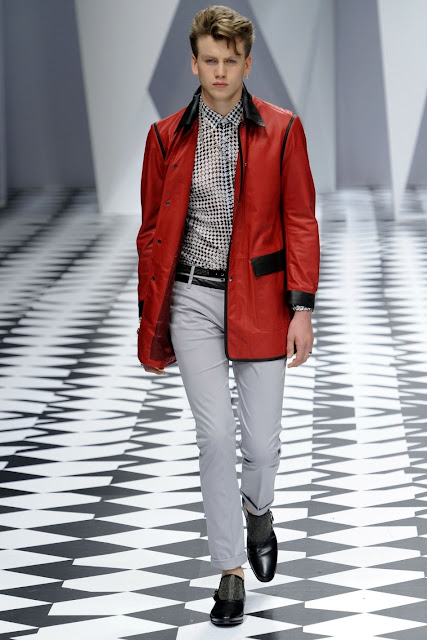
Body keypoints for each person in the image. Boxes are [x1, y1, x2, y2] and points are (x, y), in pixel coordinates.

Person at [136, 4, 320, 626]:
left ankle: (258, 514)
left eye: (230, 61)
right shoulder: (165, 137)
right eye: (209, 60)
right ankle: (229, 572)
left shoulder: (283, 130)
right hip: (192, 299)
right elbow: (151, 234)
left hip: (261, 300)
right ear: (194, 63)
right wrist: (150, 312)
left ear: (247, 63)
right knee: (214, 437)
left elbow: (300, 220)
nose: (219, 71)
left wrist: (301, 307)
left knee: (261, 448)